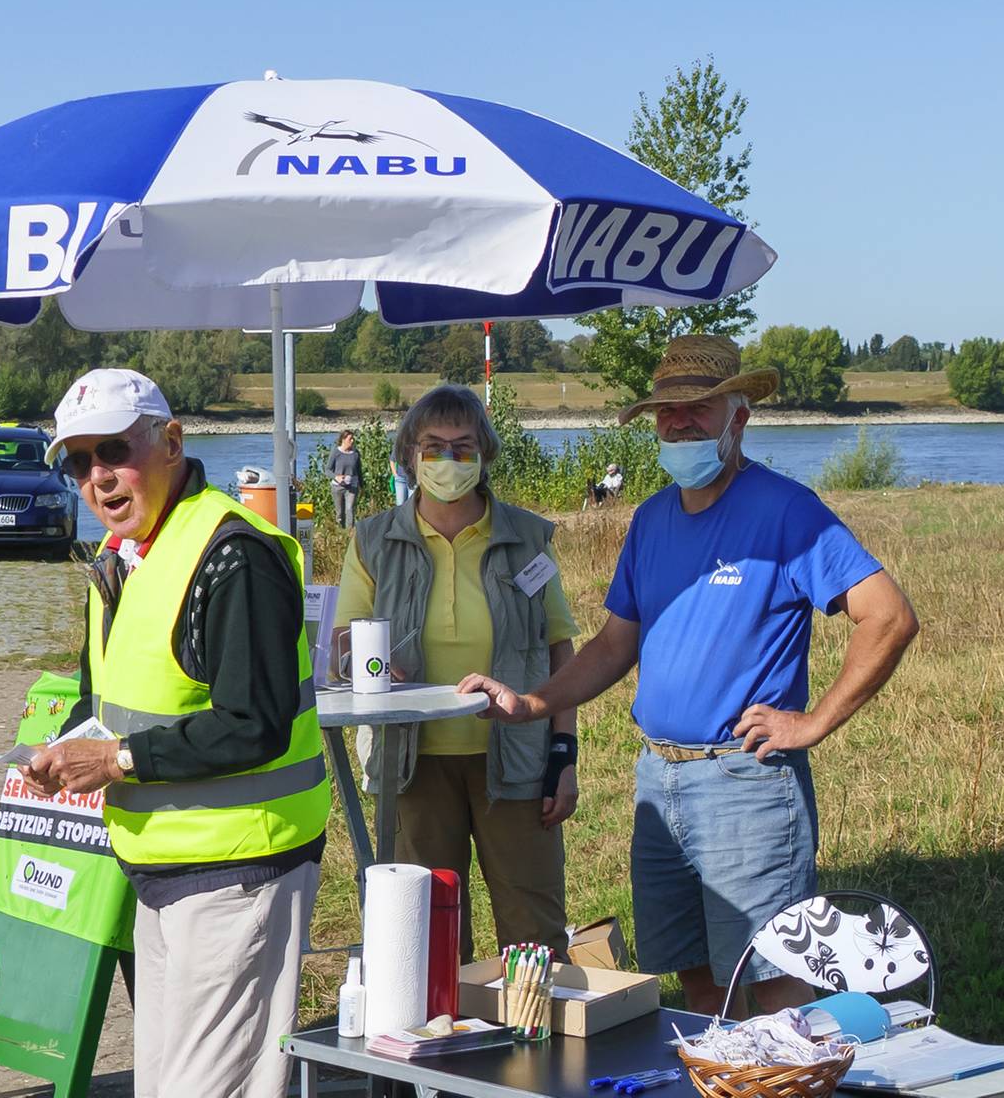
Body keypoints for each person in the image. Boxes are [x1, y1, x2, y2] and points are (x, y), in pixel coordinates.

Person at [461, 335, 919, 1017]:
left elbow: (887, 616)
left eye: (698, 410)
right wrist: (530, 702)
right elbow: (616, 644)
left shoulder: (785, 511)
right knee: (696, 979)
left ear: (739, 417)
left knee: (772, 980)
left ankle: (785, 1085)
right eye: (665, 413)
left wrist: (812, 722)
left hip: (747, 785)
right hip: (659, 783)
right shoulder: (650, 520)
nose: (679, 425)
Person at [21, 367, 328, 1098]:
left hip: (241, 870)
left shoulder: (233, 554)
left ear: (172, 442)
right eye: (78, 461)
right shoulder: (124, 555)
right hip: (162, 872)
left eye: (114, 451)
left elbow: (252, 724)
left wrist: (119, 758)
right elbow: (116, 696)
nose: (98, 477)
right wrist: (67, 748)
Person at [334, 385, 581, 959]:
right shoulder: (373, 540)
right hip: (411, 767)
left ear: (485, 454)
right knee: (423, 934)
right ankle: (442, 1042)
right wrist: (368, 663)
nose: (448, 460)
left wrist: (564, 757)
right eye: (434, 446)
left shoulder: (526, 539)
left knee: (533, 929)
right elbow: (343, 640)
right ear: (409, 456)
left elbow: (559, 653)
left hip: (517, 763)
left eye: (463, 447)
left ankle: (532, 1037)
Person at [329, 430, 363, 529]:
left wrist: (361, 485)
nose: (352, 441)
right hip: (337, 486)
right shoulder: (336, 452)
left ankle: (350, 532)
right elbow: (327, 470)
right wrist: (336, 477)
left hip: (352, 486)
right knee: (340, 512)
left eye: (353, 439)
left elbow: (359, 470)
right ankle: (340, 532)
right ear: (343, 440)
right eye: (350, 439)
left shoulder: (355, 453)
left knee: (350, 509)